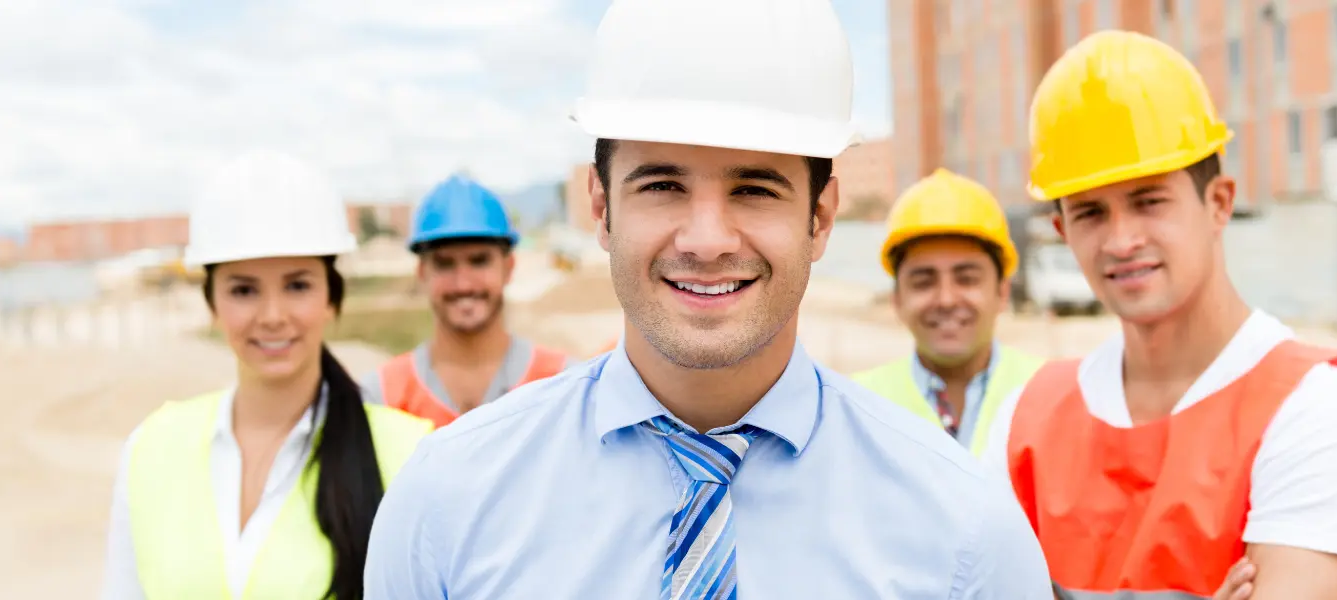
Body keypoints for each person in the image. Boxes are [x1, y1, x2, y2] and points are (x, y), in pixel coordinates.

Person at [361, 1, 1052, 598]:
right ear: (601, 208)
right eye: (662, 186)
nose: (707, 239)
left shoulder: (965, 531)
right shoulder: (447, 502)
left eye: (754, 189)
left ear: (820, 217)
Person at [978, 30, 1337, 600]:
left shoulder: (1317, 407)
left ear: (1218, 202)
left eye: (1149, 201)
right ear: (1061, 232)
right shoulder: (1025, 418)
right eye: (1091, 212)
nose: (1121, 239)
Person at [99, 150, 434, 600]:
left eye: (297, 285)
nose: (272, 316)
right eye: (243, 290)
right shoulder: (151, 448)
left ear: (331, 299)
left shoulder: (410, 455)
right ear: (213, 304)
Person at [358, 174, 574, 428]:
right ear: (422, 273)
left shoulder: (563, 385)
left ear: (509, 267)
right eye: (444, 263)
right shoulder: (382, 397)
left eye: (479, 260)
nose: (463, 284)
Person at [852, 168, 1043, 455]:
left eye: (967, 279)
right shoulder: (857, 407)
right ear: (897, 299)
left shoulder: (1048, 394)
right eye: (923, 281)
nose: (946, 300)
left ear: (1002, 292)